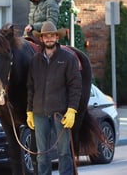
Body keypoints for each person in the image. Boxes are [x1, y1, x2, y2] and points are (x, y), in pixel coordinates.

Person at [26, 21, 82, 175]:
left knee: (64, 152)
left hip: (61, 113)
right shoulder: (35, 61)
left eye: (52, 36)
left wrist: (72, 110)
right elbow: (30, 88)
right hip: (39, 113)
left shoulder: (68, 58)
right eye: (46, 36)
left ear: (57, 37)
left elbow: (76, 86)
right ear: (42, 39)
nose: (49, 39)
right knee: (42, 154)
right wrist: (29, 111)